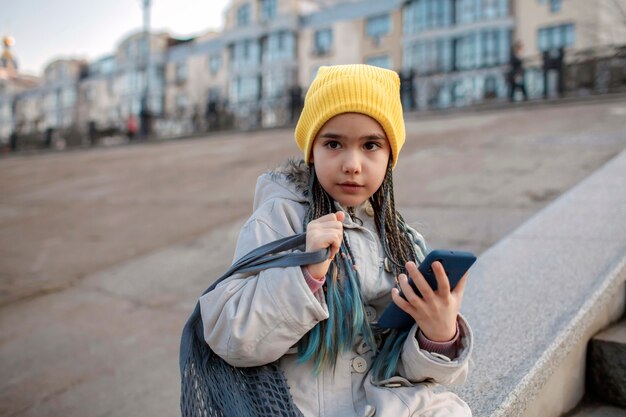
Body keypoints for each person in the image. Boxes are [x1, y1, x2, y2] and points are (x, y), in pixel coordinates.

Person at [200, 64, 473, 417]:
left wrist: (438, 335)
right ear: (312, 151)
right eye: (333, 143)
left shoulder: (402, 242)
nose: (352, 164)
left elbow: (407, 371)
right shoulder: (280, 220)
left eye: (371, 145)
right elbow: (231, 338)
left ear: (390, 157)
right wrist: (305, 274)